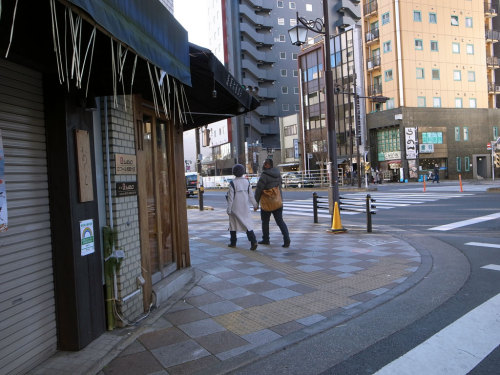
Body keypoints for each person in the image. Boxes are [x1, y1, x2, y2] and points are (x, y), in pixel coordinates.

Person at [255, 159, 290, 248]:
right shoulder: (278, 174)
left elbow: (258, 190)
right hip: (277, 201)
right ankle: (287, 239)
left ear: (267, 165)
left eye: (264, 164)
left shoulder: (264, 175)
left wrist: (256, 202)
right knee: (280, 221)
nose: (263, 165)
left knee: (265, 222)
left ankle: (266, 239)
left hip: (267, 202)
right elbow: (279, 186)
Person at [226, 164, 259, 250]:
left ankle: (233, 242)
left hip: (235, 208)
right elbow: (251, 195)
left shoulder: (232, 183)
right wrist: (255, 205)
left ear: (234, 172)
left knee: (232, 225)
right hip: (245, 207)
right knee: (247, 225)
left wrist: (229, 209)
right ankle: (253, 241)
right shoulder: (247, 182)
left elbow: (230, 198)